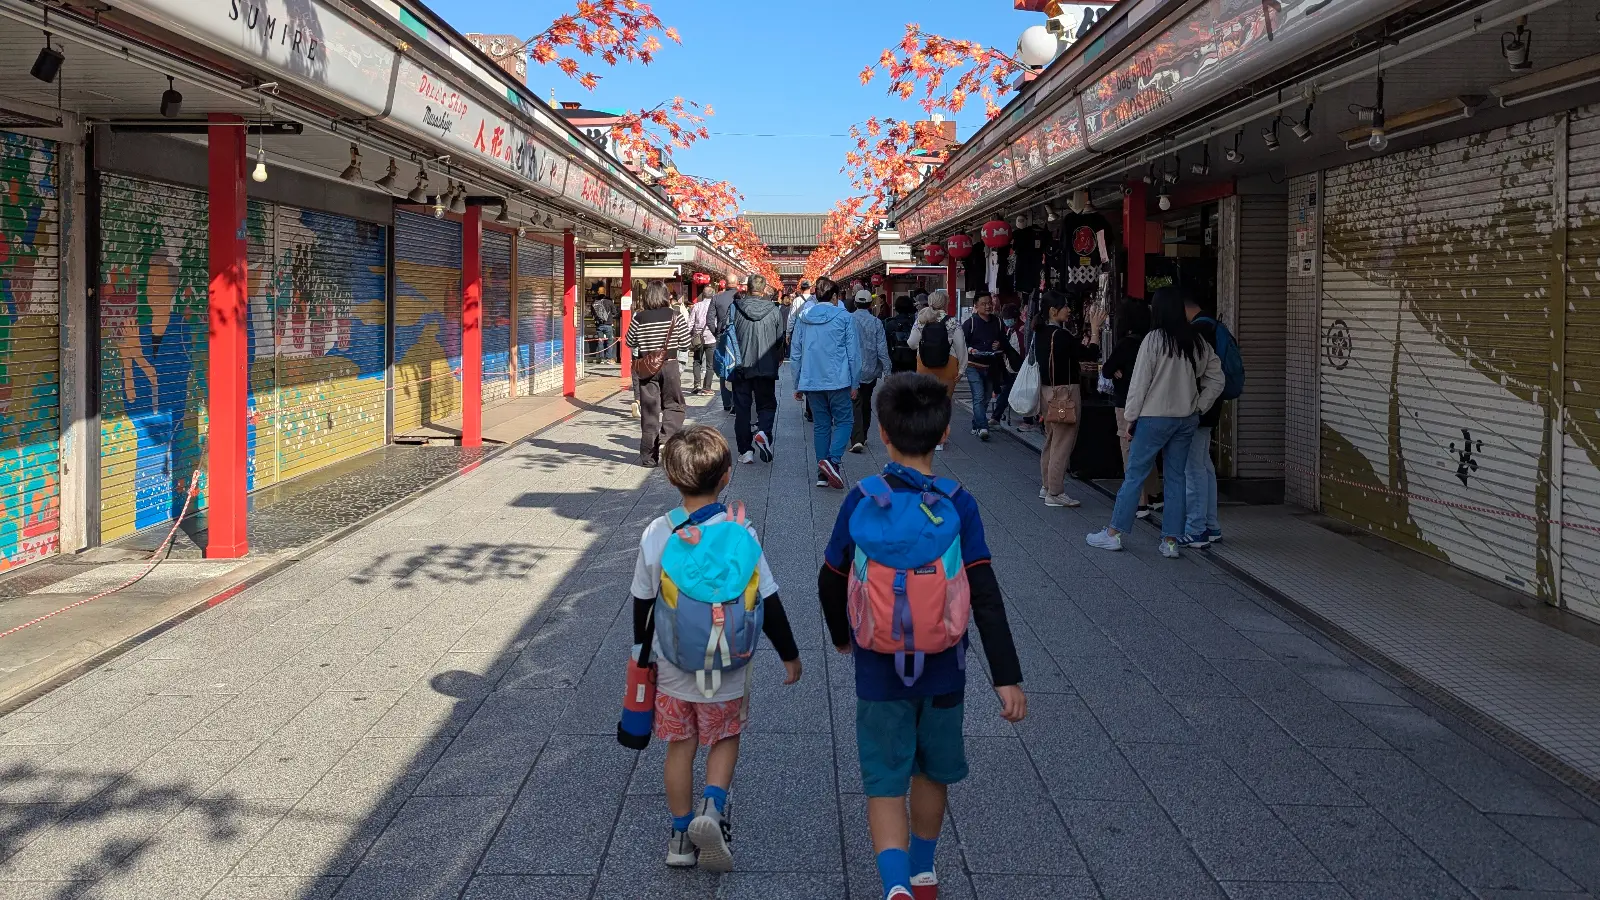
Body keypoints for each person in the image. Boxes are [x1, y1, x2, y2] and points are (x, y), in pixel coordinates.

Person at [818, 373, 1026, 900]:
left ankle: (894, 889)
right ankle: (924, 873)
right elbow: (984, 592)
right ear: (944, 433)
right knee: (932, 772)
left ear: (883, 433)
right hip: (944, 665)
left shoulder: (861, 498)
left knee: (884, 780)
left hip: (877, 664)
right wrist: (1007, 677)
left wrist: (843, 636)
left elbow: (830, 578)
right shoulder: (960, 503)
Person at [630, 424, 802, 872]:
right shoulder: (741, 533)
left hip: (672, 665)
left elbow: (643, 605)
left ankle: (679, 836)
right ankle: (713, 807)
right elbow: (769, 600)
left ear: (670, 478)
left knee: (680, 746)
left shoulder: (656, 533)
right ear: (726, 476)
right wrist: (790, 655)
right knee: (724, 736)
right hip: (728, 664)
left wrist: (640, 656)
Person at [1087, 286, 1223, 558]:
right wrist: (1199, 404)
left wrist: (1130, 418)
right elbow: (1217, 378)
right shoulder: (1196, 340)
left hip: (1154, 417)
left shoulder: (1154, 340)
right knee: (1175, 478)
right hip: (1186, 419)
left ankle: (1114, 534)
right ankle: (1170, 540)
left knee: (1135, 475)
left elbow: (1139, 383)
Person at [790, 276, 860, 489]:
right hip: (838, 380)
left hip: (812, 380)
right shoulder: (845, 317)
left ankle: (822, 473)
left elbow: (796, 352)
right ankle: (833, 461)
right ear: (835, 296)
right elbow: (853, 354)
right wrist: (855, 382)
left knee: (821, 426)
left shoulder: (804, 317)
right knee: (845, 421)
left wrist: (797, 382)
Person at [1033, 292, 1101, 508]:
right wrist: (1095, 330)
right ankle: (1055, 491)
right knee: (1062, 443)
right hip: (1065, 394)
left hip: (1047, 392)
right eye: (1065, 307)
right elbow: (1089, 353)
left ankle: (1046, 486)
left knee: (1052, 439)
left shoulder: (1041, 332)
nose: (1069, 310)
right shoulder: (1060, 335)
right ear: (1054, 310)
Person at [1101, 301, 1162, 519]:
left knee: (1129, 449)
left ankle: (1139, 501)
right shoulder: (1153, 342)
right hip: (1151, 402)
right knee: (1148, 449)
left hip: (1126, 402)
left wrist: (1117, 370)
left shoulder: (1126, 344)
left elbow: (1107, 370)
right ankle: (1155, 494)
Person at [624, 281, 692, 468]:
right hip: (669, 366)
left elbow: (629, 341)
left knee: (649, 412)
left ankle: (648, 458)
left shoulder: (639, 317)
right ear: (665, 296)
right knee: (675, 405)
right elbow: (686, 342)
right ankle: (667, 437)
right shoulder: (675, 316)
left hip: (647, 368)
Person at [1184, 295, 1226, 545]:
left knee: (1194, 467)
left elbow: (1208, 376)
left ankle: (1197, 527)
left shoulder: (1198, 331)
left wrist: (1197, 406)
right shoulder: (1214, 326)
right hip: (1211, 407)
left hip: (1199, 409)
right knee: (1204, 465)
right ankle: (1211, 525)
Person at [729, 275, 785, 465]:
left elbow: (727, 332)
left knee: (742, 409)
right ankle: (763, 432)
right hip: (766, 365)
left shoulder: (735, 307)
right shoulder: (774, 310)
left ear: (747, 288)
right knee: (767, 404)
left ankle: (746, 451)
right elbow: (779, 339)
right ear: (764, 290)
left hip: (741, 365)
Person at [907, 291, 966, 452]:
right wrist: (962, 369)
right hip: (948, 366)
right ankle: (940, 439)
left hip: (924, 366)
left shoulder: (921, 319)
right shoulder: (952, 322)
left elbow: (912, 343)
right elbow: (961, 347)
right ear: (945, 304)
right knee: (943, 403)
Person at [848, 290, 893, 454]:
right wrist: (887, 369)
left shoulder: (848, 320)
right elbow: (882, 348)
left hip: (851, 369)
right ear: (870, 304)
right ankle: (863, 435)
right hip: (870, 369)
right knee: (865, 401)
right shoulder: (876, 322)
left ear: (855, 303)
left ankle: (857, 438)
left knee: (854, 403)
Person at [959, 294, 1006, 441]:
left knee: (986, 398)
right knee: (978, 397)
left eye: (989, 303)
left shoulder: (997, 322)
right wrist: (970, 349)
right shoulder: (970, 323)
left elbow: (1004, 341)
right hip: (973, 365)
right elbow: (961, 343)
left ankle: (976, 424)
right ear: (976, 306)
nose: (988, 306)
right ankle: (982, 427)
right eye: (984, 304)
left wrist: (999, 344)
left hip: (991, 366)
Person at [709, 278, 746, 413]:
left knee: (724, 366)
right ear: (737, 283)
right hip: (739, 337)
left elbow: (709, 319)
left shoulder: (717, 298)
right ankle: (737, 401)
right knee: (737, 364)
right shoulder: (743, 297)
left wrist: (717, 333)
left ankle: (726, 402)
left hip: (722, 336)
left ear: (725, 282)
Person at [687, 285, 718, 396]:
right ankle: (707, 387)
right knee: (710, 364)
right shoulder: (715, 306)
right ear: (713, 294)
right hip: (711, 338)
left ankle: (697, 385)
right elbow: (716, 322)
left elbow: (690, 323)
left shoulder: (697, 306)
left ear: (703, 295)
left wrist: (689, 336)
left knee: (697, 362)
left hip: (698, 338)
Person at [884, 296, 918, 375]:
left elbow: (886, 345)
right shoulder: (915, 323)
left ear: (896, 308)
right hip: (912, 359)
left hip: (895, 360)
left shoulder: (890, 324)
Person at [785, 280, 816, 347]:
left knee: (797, 352)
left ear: (801, 289)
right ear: (810, 288)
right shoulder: (814, 300)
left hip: (799, 329)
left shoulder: (796, 300)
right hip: (812, 329)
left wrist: (788, 333)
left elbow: (791, 318)